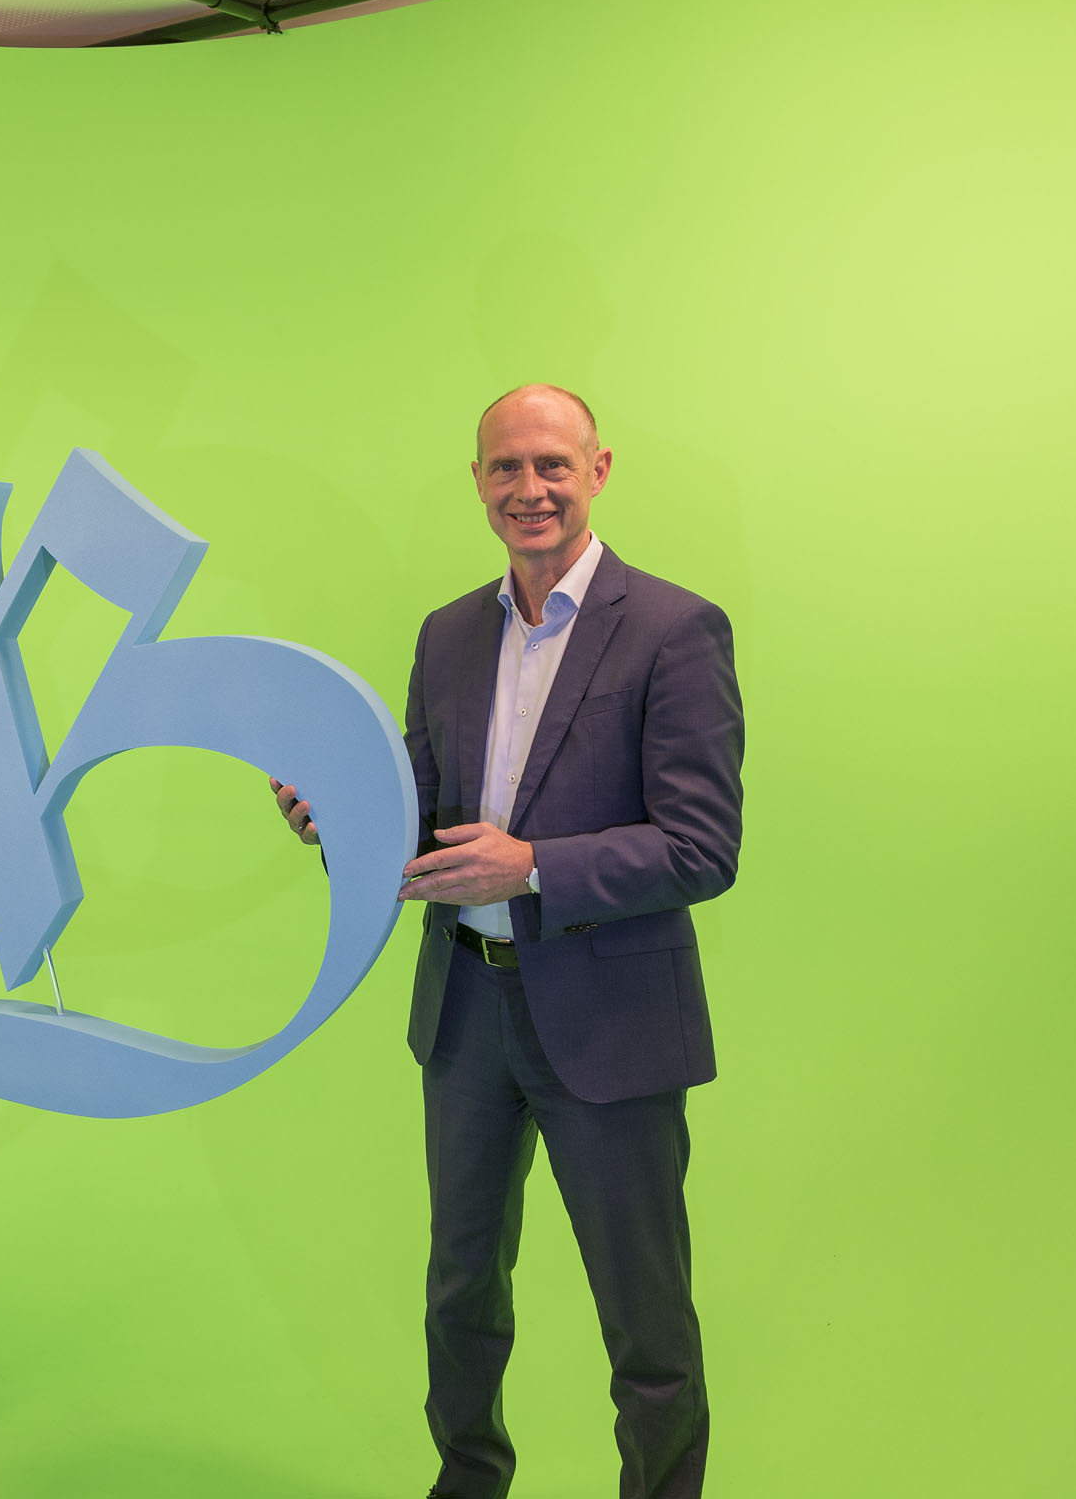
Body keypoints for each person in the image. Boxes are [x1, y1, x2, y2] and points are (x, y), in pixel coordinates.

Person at [274, 384, 744, 1499]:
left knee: (644, 1315)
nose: (527, 489)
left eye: (550, 465)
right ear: (477, 480)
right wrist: (338, 820)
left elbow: (701, 846)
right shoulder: (447, 633)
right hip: (464, 1014)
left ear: (597, 470)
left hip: (611, 1024)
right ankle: (467, 1482)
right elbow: (419, 815)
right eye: (504, 467)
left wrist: (530, 864)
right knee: (460, 1293)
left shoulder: (675, 628)